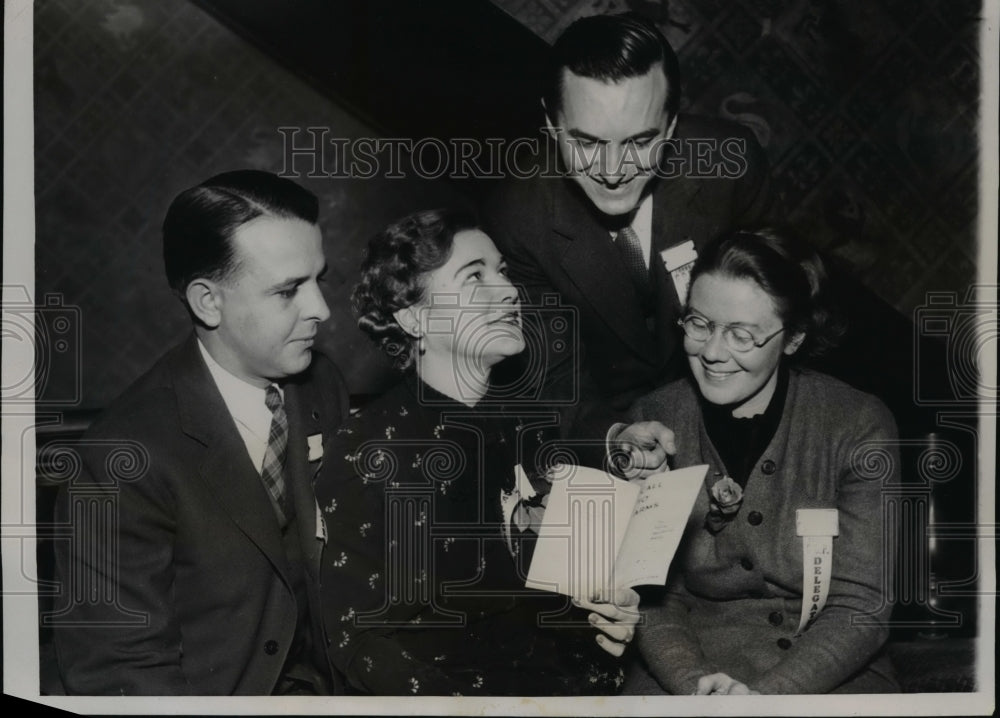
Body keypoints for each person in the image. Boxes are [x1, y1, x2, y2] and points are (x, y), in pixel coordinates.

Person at [315, 209, 645, 696]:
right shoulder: (371, 449)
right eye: (474, 277)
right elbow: (355, 637)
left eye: (503, 271)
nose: (509, 291)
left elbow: (553, 593)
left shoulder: (528, 425)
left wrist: (605, 619)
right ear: (414, 316)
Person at [52, 170, 349, 695]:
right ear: (208, 301)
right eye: (288, 291)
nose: (321, 309)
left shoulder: (321, 384)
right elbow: (121, 674)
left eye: (319, 279)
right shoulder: (117, 459)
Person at [624, 227, 899, 695]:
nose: (712, 352)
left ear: (791, 339)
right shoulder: (653, 421)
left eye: (742, 335)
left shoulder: (858, 424)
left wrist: (769, 699)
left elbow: (861, 606)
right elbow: (653, 596)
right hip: (687, 668)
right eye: (699, 323)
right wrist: (694, 686)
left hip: (827, 670)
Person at [482, 11, 773, 423]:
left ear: (671, 125)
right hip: (618, 415)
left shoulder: (732, 162)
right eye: (586, 143)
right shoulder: (515, 219)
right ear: (551, 123)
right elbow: (555, 375)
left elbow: (780, 289)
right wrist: (614, 439)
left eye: (640, 141)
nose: (613, 171)